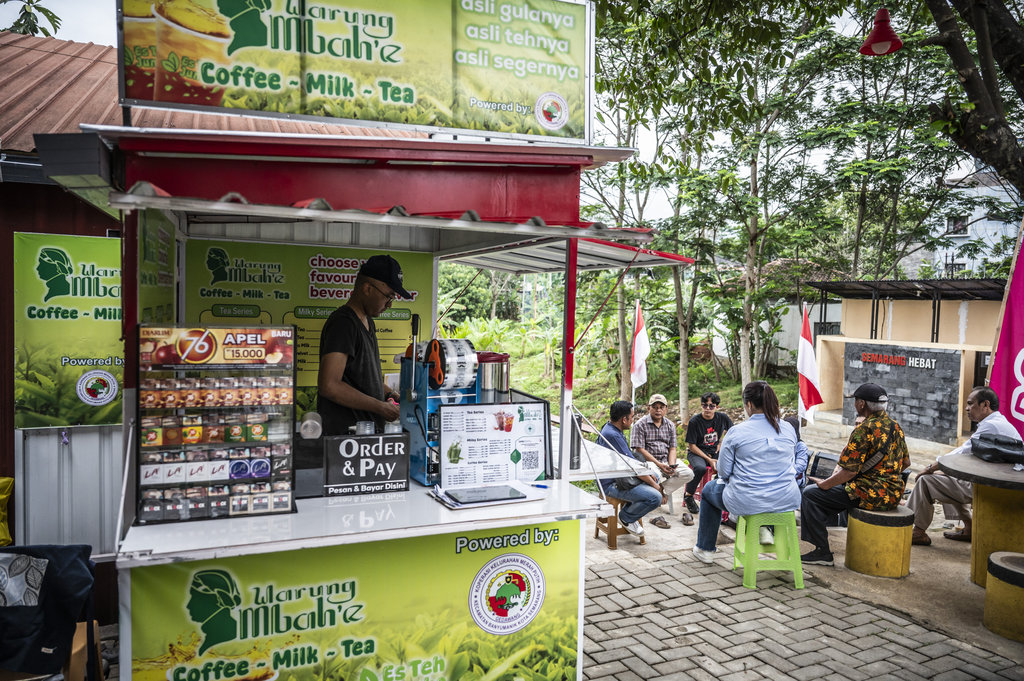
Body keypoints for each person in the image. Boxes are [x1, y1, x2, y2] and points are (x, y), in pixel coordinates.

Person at [690, 381, 801, 563]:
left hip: (749, 500)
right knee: (763, 493)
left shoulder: (737, 432)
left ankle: (705, 549)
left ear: (749, 404)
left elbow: (724, 472)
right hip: (787, 499)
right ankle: (764, 527)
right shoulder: (788, 428)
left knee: (709, 490)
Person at [800, 383, 910, 566]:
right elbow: (906, 463)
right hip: (893, 495)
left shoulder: (864, 429)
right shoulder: (895, 427)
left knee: (811, 495)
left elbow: (849, 471)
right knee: (834, 495)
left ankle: (822, 552)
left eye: (856, 401)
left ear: (861, 405)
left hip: (869, 495)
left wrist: (825, 484)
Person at [907, 386, 1021, 545]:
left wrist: (930, 467)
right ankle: (969, 527)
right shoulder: (995, 422)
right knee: (949, 475)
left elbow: (962, 451)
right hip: (994, 482)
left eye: (970, 403)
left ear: (985, 405)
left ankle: (918, 531)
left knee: (926, 481)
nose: (966, 408)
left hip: (993, 487)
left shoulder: (992, 426)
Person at [317, 255, 409, 436]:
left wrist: (390, 394)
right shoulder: (344, 323)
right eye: (388, 296)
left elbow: (364, 380)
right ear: (367, 288)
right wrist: (380, 407)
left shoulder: (368, 322)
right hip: (346, 440)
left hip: (366, 439)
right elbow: (329, 385)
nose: (389, 305)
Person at [597, 400, 666, 537]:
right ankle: (626, 517)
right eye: (632, 417)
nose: (632, 420)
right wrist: (654, 485)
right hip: (611, 483)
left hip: (621, 475)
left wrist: (651, 477)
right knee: (655, 497)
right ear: (624, 419)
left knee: (655, 476)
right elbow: (633, 467)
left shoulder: (611, 428)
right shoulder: (613, 435)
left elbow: (630, 461)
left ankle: (632, 511)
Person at [631, 394, 693, 528]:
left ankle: (662, 490)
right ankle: (657, 490)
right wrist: (660, 465)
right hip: (648, 462)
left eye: (661, 407)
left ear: (666, 409)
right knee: (655, 474)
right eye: (655, 407)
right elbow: (639, 449)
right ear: (649, 408)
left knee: (688, 473)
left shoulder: (670, 425)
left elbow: (672, 448)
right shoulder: (640, 425)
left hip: (665, 459)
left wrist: (671, 466)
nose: (658, 410)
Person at [683, 392, 733, 518]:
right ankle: (689, 496)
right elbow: (692, 446)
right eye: (705, 405)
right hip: (697, 453)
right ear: (701, 406)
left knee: (729, 464)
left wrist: (721, 442)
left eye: (711, 406)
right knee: (700, 468)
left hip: (714, 452)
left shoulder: (722, 418)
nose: (708, 409)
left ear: (717, 407)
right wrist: (708, 459)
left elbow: (733, 432)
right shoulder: (695, 421)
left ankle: (717, 494)